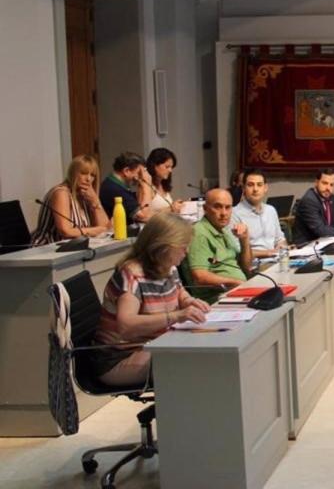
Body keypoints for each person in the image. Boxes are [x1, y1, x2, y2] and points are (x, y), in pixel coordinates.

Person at [92, 212, 211, 386]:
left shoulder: (168, 266)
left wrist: (188, 301)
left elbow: (179, 293)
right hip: (118, 358)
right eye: (182, 246)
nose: (186, 252)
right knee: (190, 364)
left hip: (151, 346)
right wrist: (177, 316)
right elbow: (126, 326)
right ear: (163, 246)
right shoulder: (131, 273)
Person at [186, 188, 252, 301]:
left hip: (236, 291)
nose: (223, 213)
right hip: (216, 298)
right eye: (217, 207)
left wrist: (245, 240)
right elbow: (199, 276)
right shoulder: (199, 233)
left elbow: (246, 267)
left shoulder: (224, 229)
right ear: (205, 209)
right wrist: (235, 282)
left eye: (228, 207)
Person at [32, 154, 111, 245]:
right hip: (48, 247)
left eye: (92, 175)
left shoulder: (86, 196)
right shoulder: (61, 192)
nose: (88, 179)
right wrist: (95, 230)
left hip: (74, 247)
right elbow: (65, 231)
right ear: (73, 173)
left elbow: (105, 229)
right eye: (84, 173)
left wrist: (95, 202)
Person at [230, 168, 287, 258]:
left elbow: (280, 238)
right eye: (250, 185)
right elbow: (236, 249)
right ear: (244, 188)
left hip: (275, 259)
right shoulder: (234, 214)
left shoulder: (271, 210)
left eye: (259, 185)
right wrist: (269, 253)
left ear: (265, 188)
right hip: (252, 265)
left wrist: (281, 246)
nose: (255, 189)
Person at [99, 151, 154, 223]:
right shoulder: (114, 189)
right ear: (126, 171)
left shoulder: (117, 185)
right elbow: (144, 216)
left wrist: (141, 185)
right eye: (138, 173)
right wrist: (147, 184)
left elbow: (139, 206)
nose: (139, 176)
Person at [146, 148, 183, 214]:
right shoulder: (146, 186)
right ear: (154, 165)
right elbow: (145, 215)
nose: (170, 170)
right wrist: (171, 208)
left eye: (171, 167)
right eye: (167, 167)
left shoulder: (163, 184)